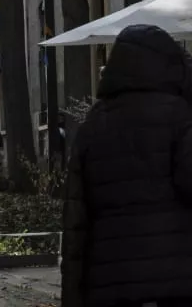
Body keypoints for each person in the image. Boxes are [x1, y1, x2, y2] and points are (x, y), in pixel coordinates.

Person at [61, 24, 192, 307]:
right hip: (177, 279)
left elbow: (76, 220)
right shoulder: (180, 115)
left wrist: (72, 294)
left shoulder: (92, 126)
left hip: (110, 282)